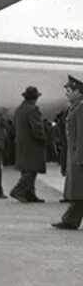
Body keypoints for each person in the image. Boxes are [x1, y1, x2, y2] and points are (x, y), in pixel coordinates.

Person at [52, 75, 83, 230]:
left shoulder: (81, 108)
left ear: (78, 92)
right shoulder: (75, 108)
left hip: (79, 156)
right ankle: (70, 220)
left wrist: (79, 157)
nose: (66, 93)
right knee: (79, 190)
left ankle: (70, 220)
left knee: (79, 189)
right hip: (75, 154)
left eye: (69, 90)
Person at [11, 86, 47, 203]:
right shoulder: (33, 110)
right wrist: (44, 139)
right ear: (35, 98)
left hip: (21, 142)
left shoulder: (19, 109)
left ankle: (30, 194)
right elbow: (36, 128)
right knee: (32, 170)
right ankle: (17, 191)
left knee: (26, 169)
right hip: (32, 144)